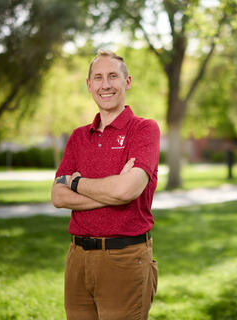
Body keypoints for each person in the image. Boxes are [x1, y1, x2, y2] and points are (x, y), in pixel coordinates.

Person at [51, 50, 159, 320]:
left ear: (127, 82)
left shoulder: (144, 129)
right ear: (89, 85)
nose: (105, 84)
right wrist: (112, 191)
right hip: (77, 258)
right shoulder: (77, 137)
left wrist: (75, 182)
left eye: (113, 76)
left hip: (123, 257)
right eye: (98, 78)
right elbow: (58, 196)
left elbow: (127, 190)